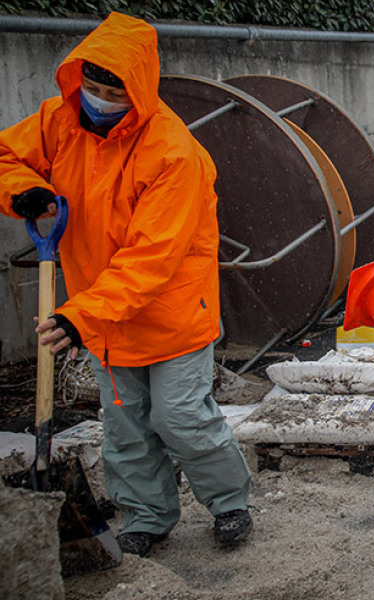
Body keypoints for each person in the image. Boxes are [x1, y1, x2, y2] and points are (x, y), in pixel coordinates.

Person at [0, 13, 252, 557]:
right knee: (126, 426)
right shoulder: (59, 122)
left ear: (137, 91)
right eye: (90, 88)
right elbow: (5, 155)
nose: (98, 100)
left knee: (182, 417)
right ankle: (147, 514)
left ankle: (230, 501)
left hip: (171, 314)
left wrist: (78, 316)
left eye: (111, 92)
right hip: (104, 317)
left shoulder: (173, 153)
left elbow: (150, 258)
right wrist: (22, 188)